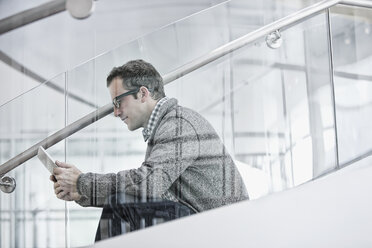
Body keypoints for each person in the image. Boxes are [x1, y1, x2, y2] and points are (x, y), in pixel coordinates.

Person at [51, 59, 249, 239]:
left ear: (143, 93)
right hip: (210, 227)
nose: (116, 112)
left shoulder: (179, 123)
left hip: (224, 234)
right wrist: (81, 192)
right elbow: (150, 192)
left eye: (118, 102)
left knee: (122, 205)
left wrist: (82, 183)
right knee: (126, 205)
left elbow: (147, 185)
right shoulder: (167, 126)